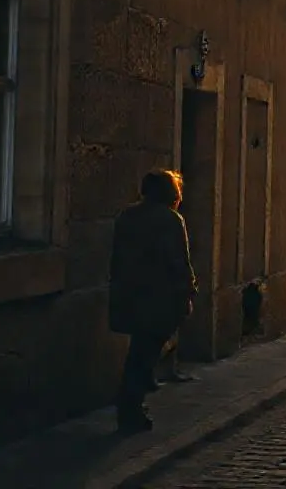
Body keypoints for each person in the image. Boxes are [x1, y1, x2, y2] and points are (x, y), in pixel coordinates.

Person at [109, 170, 197, 433]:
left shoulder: (127, 216)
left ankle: (133, 402)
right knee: (143, 355)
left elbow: (118, 258)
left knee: (140, 350)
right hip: (159, 297)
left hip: (131, 296)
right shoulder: (170, 220)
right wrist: (188, 291)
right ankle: (130, 409)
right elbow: (178, 261)